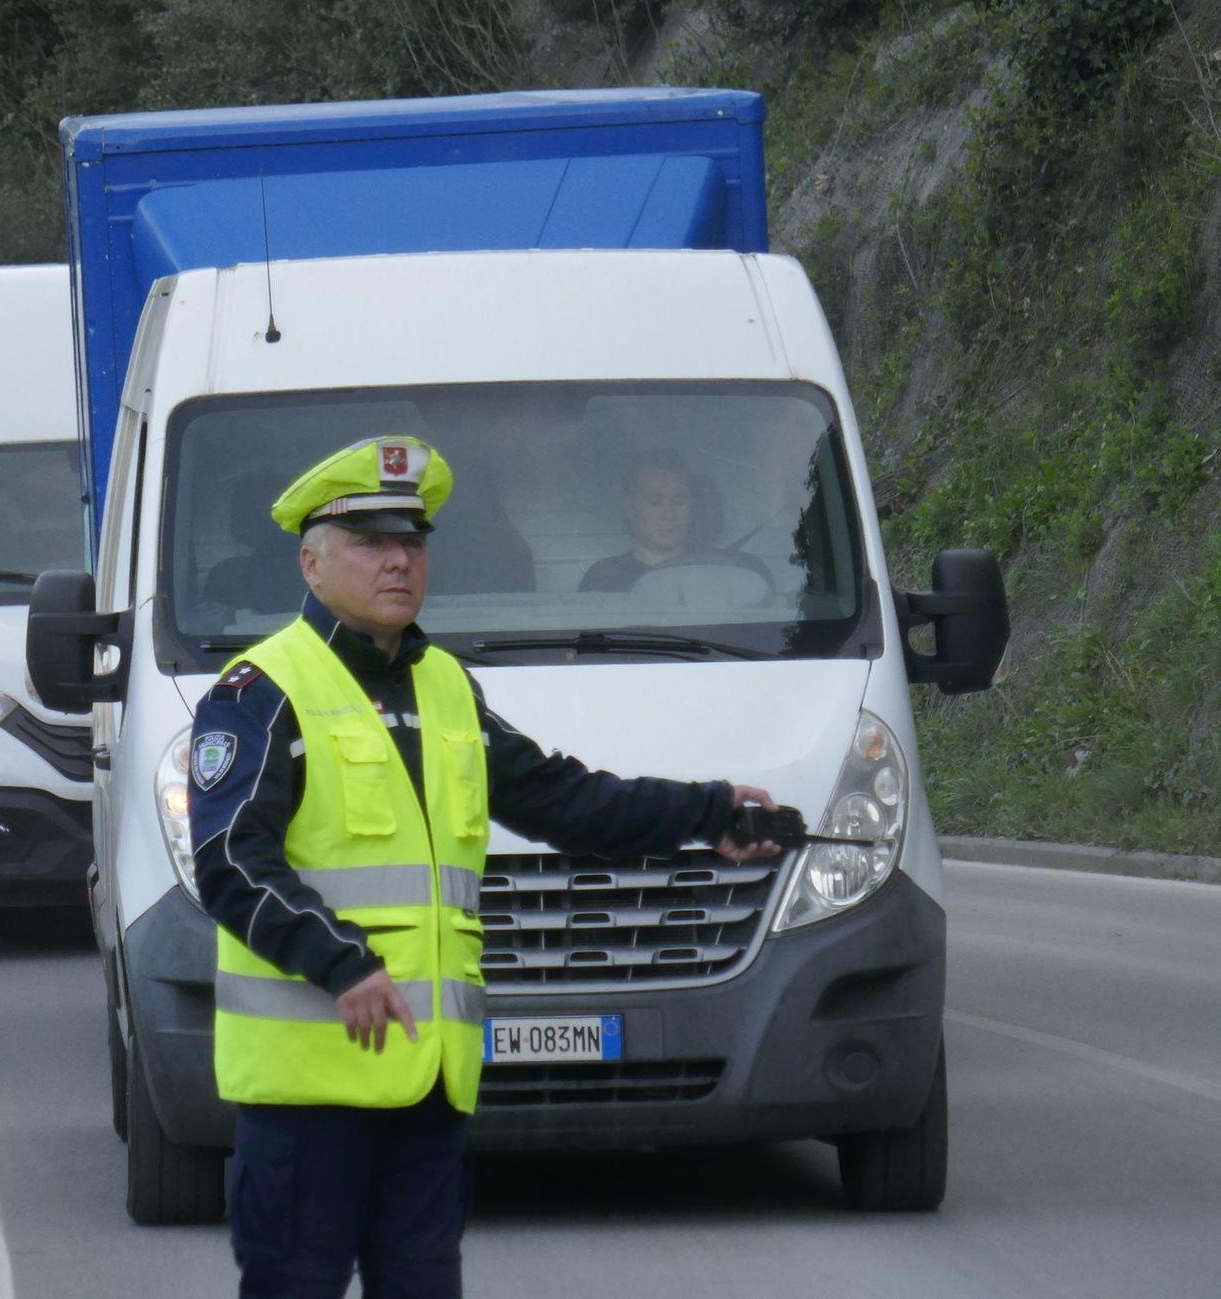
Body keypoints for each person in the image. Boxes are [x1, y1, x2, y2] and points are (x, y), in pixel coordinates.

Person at [187, 435, 796, 1298]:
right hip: (309, 1095)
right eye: (371, 542)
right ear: (312, 562)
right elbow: (228, 860)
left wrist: (710, 813)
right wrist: (341, 958)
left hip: (429, 1084)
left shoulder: (445, 687)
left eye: (414, 541)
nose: (399, 560)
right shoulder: (261, 690)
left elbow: (563, 799)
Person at [578, 450, 772, 594]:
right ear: (630, 507)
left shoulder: (738, 572)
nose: (668, 514)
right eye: (655, 502)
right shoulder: (603, 579)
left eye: (679, 502)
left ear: (693, 507)